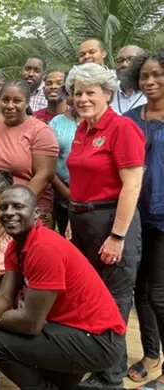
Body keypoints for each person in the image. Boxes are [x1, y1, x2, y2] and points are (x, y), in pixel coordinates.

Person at [0, 185, 126, 390]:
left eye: (18, 206)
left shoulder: (44, 248)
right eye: (5, 207)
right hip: (72, 330)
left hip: (97, 340)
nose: (9, 213)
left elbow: (31, 323)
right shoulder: (16, 247)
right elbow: (4, 297)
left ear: (36, 213)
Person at [65, 63, 144, 390]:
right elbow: (81, 180)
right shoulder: (82, 130)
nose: (82, 98)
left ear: (107, 94)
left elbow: (132, 186)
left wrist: (117, 235)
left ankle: (110, 380)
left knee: (114, 302)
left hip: (112, 223)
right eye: (78, 92)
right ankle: (103, 368)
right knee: (93, 299)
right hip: (82, 222)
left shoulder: (121, 129)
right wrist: (72, 222)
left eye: (90, 92)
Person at [124, 51, 164, 388]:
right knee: (141, 288)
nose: (149, 82)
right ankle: (151, 355)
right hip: (138, 214)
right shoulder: (133, 118)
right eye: (144, 77)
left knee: (160, 293)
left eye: (157, 75)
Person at [0, 78, 58, 229]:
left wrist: (12, 209)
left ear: (27, 102)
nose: (10, 106)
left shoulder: (41, 131)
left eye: (17, 101)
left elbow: (44, 176)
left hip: (29, 208)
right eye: (5, 100)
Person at [49, 76, 80, 236]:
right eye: (71, 92)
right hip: (62, 194)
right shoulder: (56, 123)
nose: (76, 97)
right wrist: (67, 194)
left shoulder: (102, 121)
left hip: (95, 199)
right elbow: (47, 164)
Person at [110, 45, 147, 115]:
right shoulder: (107, 94)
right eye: (119, 61)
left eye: (131, 59)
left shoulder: (153, 94)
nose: (124, 64)